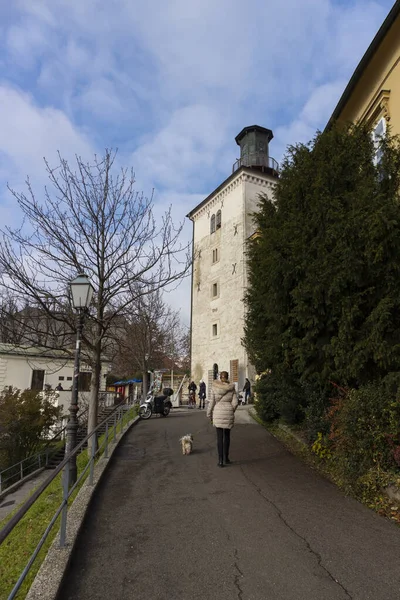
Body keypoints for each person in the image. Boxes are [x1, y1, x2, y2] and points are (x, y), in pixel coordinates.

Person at [207, 371, 238, 467]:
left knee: (219, 438)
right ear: (227, 377)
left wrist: (209, 414)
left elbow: (211, 402)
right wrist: (231, 410)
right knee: (227, 437)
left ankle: (220, 461)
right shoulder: (231, 388)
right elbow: (235, 402)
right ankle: (226, 458)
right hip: (228, 412)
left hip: (217, 412)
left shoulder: (214, 387)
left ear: (220, 378)